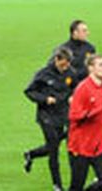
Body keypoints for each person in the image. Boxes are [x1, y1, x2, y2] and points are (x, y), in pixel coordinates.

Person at [25, 46, 76, 191]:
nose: (65, 67)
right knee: (54, 149)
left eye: (68, 64)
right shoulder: (43, 74)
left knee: (52, 145)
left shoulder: (70, 73)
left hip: (62, 115)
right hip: (46, 116)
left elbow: (76, 87)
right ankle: (57, 185)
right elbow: (29, 91)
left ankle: (31, 154)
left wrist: (73, 96)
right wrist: (45, 99)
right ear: (56, 59)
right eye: (63, 63)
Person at [69, 53, 102, 191]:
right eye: (100, 65)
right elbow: (74, 116)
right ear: (91, 68)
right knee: (76, 186)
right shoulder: (83, 88)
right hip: (80, 146)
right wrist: (97, 110)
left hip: (98, 145)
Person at [64, 19, 97, 84]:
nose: (88, 33)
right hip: (70, 86)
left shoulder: (90, 48)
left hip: (87, 85)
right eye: (84, 31)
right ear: (75, 33)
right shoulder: (64, 50)